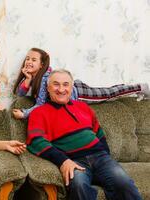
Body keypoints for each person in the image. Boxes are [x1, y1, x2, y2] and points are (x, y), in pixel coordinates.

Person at [26, 69, 142, 200]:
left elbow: (98, 132)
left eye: (65, 84)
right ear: (48, 88)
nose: (61, 89)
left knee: (124, 183)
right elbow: (35, 141)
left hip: (101, 158)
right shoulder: (39, 112)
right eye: (56, 84)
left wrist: (105, 156)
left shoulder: (82, 106)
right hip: (74, 161)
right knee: (79, 185)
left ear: (71, 87)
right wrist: (63, 161)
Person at [12, 48, 150, 119]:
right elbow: (19, 94)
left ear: (42, 64)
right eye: (28, 58)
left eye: (34, 60)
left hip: (80, 93)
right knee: (109, 91)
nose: (29, 62)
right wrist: (28, 79)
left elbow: (40, 105)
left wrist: (25, 114)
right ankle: (138, 88)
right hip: (75, 88)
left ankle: (141, 87)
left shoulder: (44, 79)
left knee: (109, 93)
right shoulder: (33, 78)